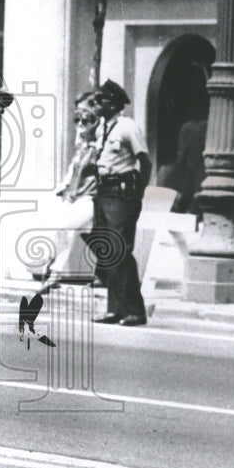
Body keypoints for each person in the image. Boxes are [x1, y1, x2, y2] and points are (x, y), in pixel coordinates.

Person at [91, 79, 152, 326]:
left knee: (120, 250)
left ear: (114, 103)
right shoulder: (103, 128)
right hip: (104, 191)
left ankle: (135, 311)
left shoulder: (127, 127)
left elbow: (145, 161)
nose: (97, 105)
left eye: (101, 101)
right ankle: (115, 309)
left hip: (122, 192)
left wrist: (139, 192)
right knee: (108, 251)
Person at [38, 91, 101, 290]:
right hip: (74, 195)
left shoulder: (102, 141)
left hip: (91, 197)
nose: (80, 123)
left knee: (66, 227)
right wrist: (63, 187)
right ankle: (51, 268)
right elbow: (74, 169)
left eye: (86, 118)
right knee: (60, 226)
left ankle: (54, 273)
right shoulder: (82, 142)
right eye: (77, 118)